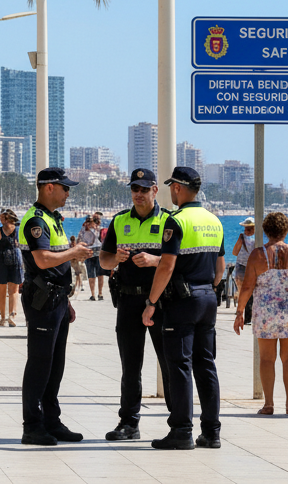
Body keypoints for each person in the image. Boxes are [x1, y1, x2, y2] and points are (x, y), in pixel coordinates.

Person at [141, 166, 225, 450]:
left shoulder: (176, 221)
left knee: (179, 366)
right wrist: (207, 289)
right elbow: (220, 267)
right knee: (206, 365)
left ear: (177, 187)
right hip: (207, 298)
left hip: (182, 302)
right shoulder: (214, 221)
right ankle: (211, 432)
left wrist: (151, 302)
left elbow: (166, 265)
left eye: (171, 187)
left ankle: (181, 431)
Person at [18, 168, 93, 446]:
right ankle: (32, 425)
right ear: (49, 187)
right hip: (42, 298)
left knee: (55, 364)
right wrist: (75, 252)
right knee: (40, 363)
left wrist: (67, 300)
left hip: (57, 298)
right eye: (65, 188)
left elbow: (56, 264)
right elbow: (42, 260)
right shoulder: (36, 220)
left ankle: (52, 420)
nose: (68, 193)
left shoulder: (53, 219)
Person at [99, 169, 171, 441]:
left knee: (169, 363)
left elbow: (178, 262)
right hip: (128, 300)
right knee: (130, 365)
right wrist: (115, 259)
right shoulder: (119, 221)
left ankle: (178, 423)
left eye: (144, 189)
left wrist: (155, 260)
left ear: (155, 190)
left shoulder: (168, 220)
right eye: (134, 189)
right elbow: (104, 261)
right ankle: (129, 423)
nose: (138, 194)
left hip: (161, 301)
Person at [231, 211, 288, 416]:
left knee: (266, 359)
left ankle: (269, 404)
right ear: (286, 230)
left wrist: (240, 312)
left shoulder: (258, 254)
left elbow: (247, 286)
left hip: (265, 313)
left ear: (265, 231)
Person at [0, 209, 22, 327]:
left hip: (1, 260)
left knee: (2, 291)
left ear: (8, 218)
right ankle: (11, 315)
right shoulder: (18, 230)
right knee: (13, 290)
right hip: (15, 259)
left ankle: (4, 317)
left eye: (3, 218)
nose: (1, 220)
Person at [233, 217, 257, 322]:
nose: (247, 230)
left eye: (249, 228)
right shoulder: (242, 237)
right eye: (246, 228)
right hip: (243, 266)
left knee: (249, 291)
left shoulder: (258, 238)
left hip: (250, 267)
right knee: (244, 291)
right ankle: (245, 314)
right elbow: (235, 252)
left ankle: (247, 314)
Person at [79, 218, 103, 301]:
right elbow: (80, 240)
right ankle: (93, 294)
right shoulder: (83, 230)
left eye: (91, 222)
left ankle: (100, 293)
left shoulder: (98, 229)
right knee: (91, 274)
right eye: (88, 222)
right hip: (89, 252)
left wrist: (95, 228)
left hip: (98, 252)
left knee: (100, 274)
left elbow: (101, 238)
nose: (89, 224)